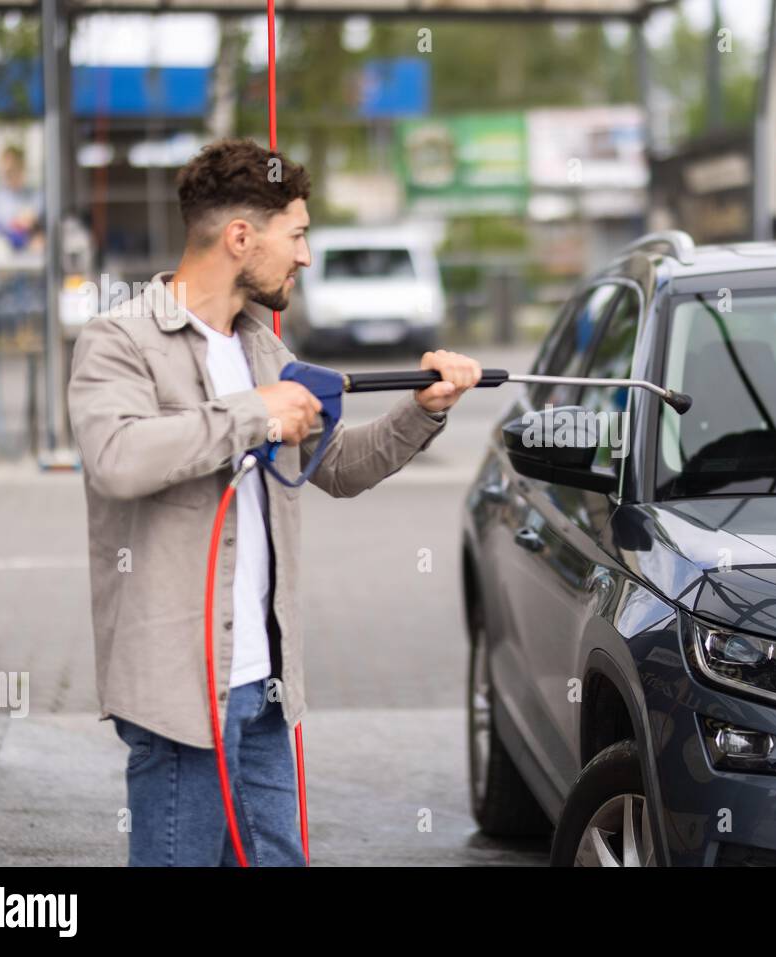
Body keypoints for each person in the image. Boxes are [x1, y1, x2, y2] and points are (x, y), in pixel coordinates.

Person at [66, 138, 481, 866]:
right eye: (297, 236)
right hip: (179, 698)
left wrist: (425, 408)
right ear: (239, 237)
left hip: (265, 690)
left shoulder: (265, 350)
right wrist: (253, 415)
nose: (306, 257)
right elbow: (117, 459)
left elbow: (342, 466)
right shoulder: (119, 341)